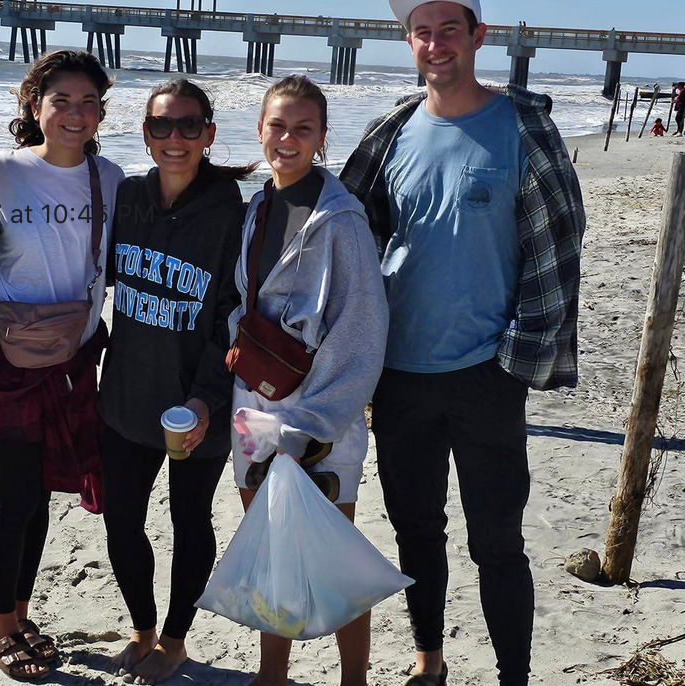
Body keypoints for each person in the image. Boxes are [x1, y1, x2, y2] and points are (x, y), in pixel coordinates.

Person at [340, 1, 586, 685]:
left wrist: (517, 360)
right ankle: (430, 662)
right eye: (423, 30)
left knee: (497, 542)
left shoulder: (522, 128)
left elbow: (563, 244)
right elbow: (350, 233)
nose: (436, 42)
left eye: (451, 28)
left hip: (488, 373)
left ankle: (514, 676)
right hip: (400, 375)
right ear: (407, 41)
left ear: (478, 36)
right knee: (416, 533)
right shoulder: (391, 131)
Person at [229, 75, 388, 686]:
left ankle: (354, 680)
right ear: (260, 130)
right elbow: (245, 297)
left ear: (322, 137)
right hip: (253, 404)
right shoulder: (258, 206)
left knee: (333, 558)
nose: (288, 138)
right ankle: (273, 674)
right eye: (278, 125)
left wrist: (313, 425)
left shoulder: (341, 220)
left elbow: (362, 331)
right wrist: (235, 346)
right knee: (272, 551)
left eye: (303, 128)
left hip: (322, 415)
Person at [0, 50, 125, 681]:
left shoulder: (111, 179)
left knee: (39, 496)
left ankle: (21, 608)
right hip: (12, 361)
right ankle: (1, 625)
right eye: (61, 99)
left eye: (88, 102)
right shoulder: (1, 173)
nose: (75, 113)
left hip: (76, 360)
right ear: (35, 106)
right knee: (14, 495)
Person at [97, 78, 253, 685]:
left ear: (210, 134)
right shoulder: (128, 198)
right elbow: (87, 272)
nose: (175, 138)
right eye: (161, 126)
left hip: (197, 405)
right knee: (121, 519)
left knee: (191, 522)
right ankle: (141, 627)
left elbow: (232, 316)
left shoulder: (233, 216)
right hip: (127, 396)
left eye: (190, 126)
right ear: (145, 133)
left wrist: (207, 396)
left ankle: (176, 639)